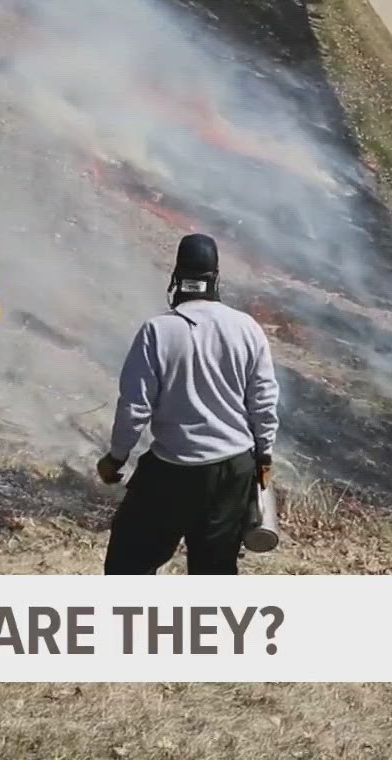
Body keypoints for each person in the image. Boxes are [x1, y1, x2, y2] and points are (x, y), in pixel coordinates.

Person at [97, 233, 279, 575]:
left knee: (127, 565)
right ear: (216, 277)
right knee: (214, 571)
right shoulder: (247, 328)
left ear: (176, 277)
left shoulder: (158, 330)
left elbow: (134, 407)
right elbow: (264, 402)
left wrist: (115, 457)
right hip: (233, 468)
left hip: (172, 469)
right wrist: (263, 455)